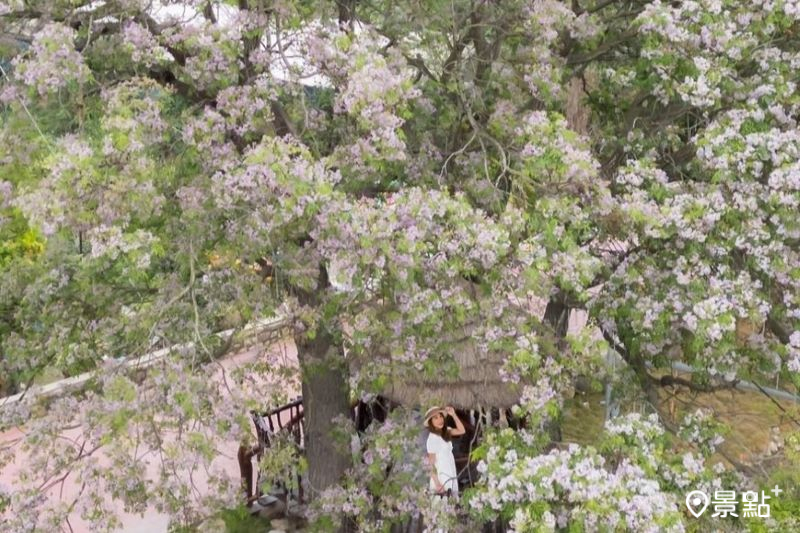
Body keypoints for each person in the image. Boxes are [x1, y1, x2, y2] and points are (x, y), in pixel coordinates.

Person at [424, 405, 465, 497]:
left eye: (440, 416)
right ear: (431, 422)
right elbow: (431, 465)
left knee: (452, 502)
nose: (440, 420)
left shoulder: (446, 432)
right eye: (436, 418)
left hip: (450, 470)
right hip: (441, 475)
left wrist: (453, 415)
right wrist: (438, 484)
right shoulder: (432, 439)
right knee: (443, 504)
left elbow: (461, 430)